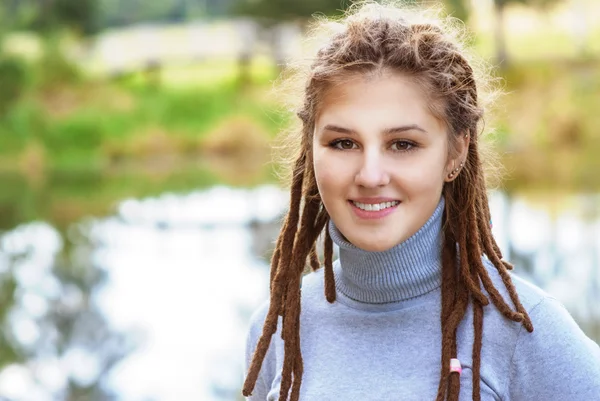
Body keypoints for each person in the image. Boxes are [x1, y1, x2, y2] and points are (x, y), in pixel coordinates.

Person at [242, 2, 600, 400]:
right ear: (311, 150)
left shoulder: (523, 330)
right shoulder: (278, 329)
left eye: (403, 144)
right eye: (343, 143)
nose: (370, 175)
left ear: (455, 154)